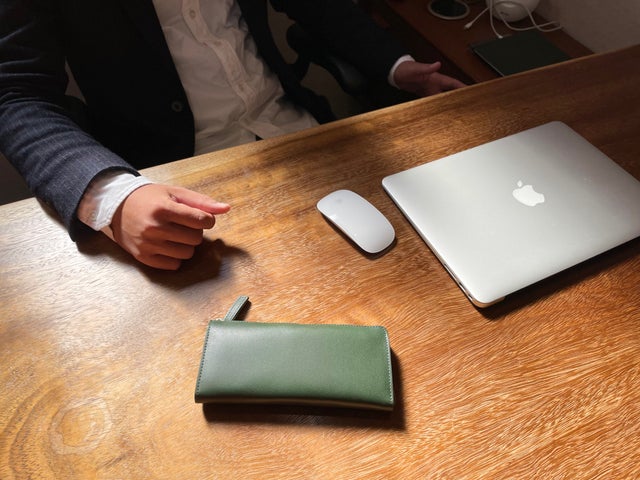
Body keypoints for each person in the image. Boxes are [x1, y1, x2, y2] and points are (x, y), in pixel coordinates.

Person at [0, 0, 465, 270]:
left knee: (436, 252)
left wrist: (397, 66)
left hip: (299, 139)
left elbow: (321, 6)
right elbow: (15, 94)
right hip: (171, 179)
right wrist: (112, 198)